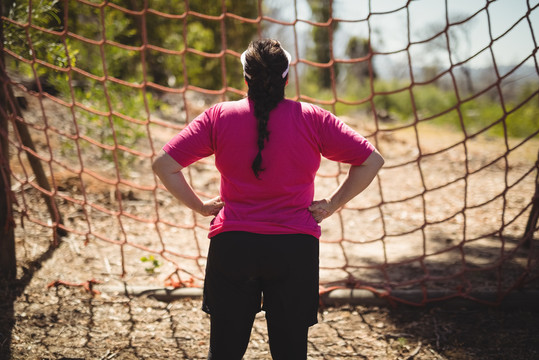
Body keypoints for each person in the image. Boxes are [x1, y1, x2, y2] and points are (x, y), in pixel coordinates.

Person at [152, 38, 384, 360]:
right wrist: (331, 205)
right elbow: (371, 160)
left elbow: (164, 165)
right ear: (286, 78)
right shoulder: (313, 118)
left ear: (245, 78)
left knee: (224, 352)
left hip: (233, 245)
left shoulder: (219, 116)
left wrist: (200, 206)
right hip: (294, 248)